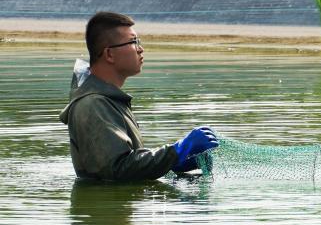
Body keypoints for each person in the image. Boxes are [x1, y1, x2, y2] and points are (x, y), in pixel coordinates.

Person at [59, 11, 218, 181]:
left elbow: (127, 162)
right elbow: (118, 169)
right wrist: (176, 151)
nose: (140, 49)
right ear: (109, 54)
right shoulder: (93, 104)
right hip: (111, 207)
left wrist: (172, 164)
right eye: (133, 42)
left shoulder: (107, 100)